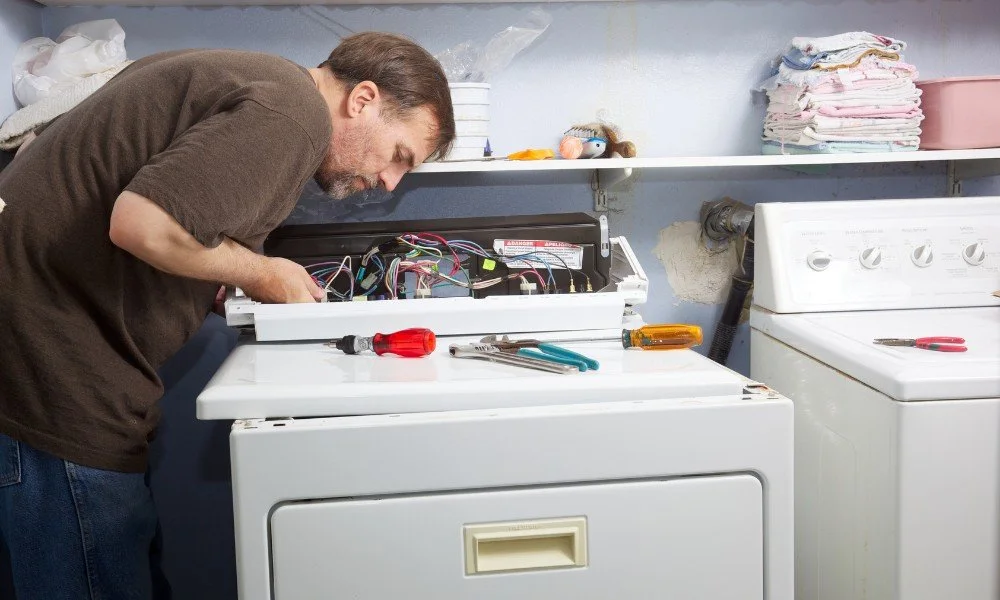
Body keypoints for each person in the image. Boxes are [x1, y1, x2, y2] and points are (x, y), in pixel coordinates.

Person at [0, 31, 455, 599]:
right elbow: (141, 223)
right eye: (399, 156)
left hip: (50, 348)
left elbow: (164, 212)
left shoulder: (258, 81)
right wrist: (261, 272)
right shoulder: (290, 116)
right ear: (361, 100)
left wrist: (217, 276)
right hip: (52, 367)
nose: (390, 181)